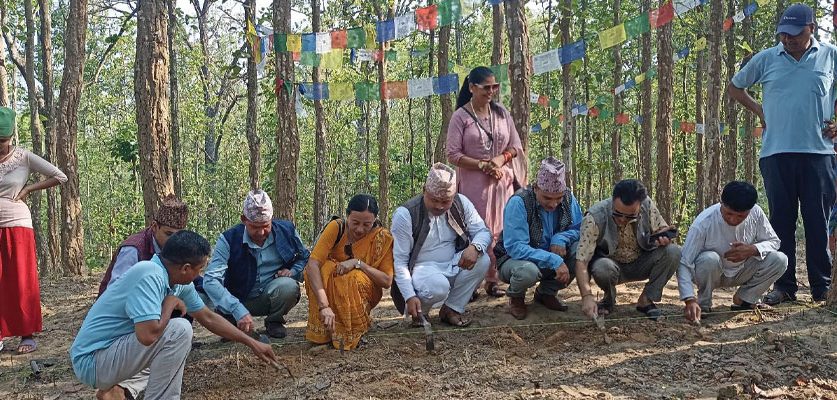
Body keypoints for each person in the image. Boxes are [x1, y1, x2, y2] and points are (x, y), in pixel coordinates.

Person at [70, 231, 277, 400]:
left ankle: (116, 391)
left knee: (174, 351)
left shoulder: (177, 282)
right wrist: (169, 306)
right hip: (93, 361)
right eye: (199, 269)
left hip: (114, 354)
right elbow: (148, 336)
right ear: (186, 268)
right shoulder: (149, 274)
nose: (200, 276)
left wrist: (251, 343)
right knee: (179, 330)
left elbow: (208, 318)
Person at [727, 2, 836, 304]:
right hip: (776, 154)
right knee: (781, 223)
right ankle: (784, 287)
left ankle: (822, 288)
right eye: (783, 35)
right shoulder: (766, 58)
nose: (787, 40)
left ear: (811, 29)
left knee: (818, 222)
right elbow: (735, 87)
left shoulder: (830, 55)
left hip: (819, 154)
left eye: (794, 34)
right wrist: (760, 110)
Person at [446, 66, 528, 299]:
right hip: (474, 184)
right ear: (472, 88)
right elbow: (453, 154)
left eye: (495, 87)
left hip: (502, 183)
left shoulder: (502, 113)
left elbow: (515, 146)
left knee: (500, 231)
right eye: (486, 87)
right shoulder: (460, 117)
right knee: (475, 231)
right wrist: (483, 165)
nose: (491, 91)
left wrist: (500, 160)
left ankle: (494, 279)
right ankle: (470, 283)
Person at [0, 106, 67, 354]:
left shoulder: (24, 157)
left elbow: (60, 177)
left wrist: (28, 189)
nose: (0, 145)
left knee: (20, 278)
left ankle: (26, 333)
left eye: (3, 140)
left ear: (11, 138)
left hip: (17, 224)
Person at [391, 163, 493, 327]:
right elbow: (400, 262)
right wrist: (409, 296)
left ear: (453, 196)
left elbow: (483, 231)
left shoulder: (461, 203)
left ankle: (452, 308)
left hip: (452, 262)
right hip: (420, 270)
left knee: (483, 260)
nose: (439, 206)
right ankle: (420, 313)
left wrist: (475, 247)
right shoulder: (405, 214)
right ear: (424, 190)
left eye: (445, 201)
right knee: (438, 286)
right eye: (434, 200)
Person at [200, 190, 309, 338]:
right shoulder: (229, 239)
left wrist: (292, 271)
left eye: (266, 226)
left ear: (271, 219)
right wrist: (236, 308)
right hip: (237, 297)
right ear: (244, 219)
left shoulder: (287, 231)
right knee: (202, 295)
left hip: (268, 295)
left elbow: (305, 257)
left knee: (289, 286)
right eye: (255, 227)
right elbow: (211, 280)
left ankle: (274, 321)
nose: (261, 232)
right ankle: (230, 320)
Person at [677, 181, 787, 323]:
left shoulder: (757, 213)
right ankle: (703, 304)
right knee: (708, 259)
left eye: (740, 216)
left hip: (742, 270)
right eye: (728, 213)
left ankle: (745, 299)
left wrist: (753, 249)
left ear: (750, 210)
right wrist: (689, 299)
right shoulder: (703, 222)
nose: (733, 219)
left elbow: (774, 242)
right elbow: (684, 263)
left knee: (780, 259)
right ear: (721, 203)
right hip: (709, 273)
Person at [574, 179, 680, 321]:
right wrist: (586, 296)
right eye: (617, 214)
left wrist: (664, 237)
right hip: (610, 265)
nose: (623, 219)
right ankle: (608, 299)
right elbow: (581, 260)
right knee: (602, 267)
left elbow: (661, 228)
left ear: (640, 205)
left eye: (630, 216)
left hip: (642, 261)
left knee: (673, 251)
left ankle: (646, 300)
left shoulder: (647, 205)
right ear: (613, 201)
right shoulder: (595, 216)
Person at [494, 157, 583, 319]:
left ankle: (545, 293)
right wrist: (553, 260)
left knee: (580, 251)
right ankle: (516, 297)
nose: (553, 204)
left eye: (559, 198)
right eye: (547, 198)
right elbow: (515, 247)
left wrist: (561, 237)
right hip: (514, 260)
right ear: (536, 188)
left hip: (552, 257)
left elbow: (580, 229)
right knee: (528, 271)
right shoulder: (519, 202)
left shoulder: (569, 198)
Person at [304, 194, 394, 350]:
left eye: (367, 224)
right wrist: (323, 305)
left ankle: (351, 331)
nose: (360, 229)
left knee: (352, 277)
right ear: (347, 216)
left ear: (374, 220)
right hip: (328, 293)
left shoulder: (381, 238)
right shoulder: (336, 227)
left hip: (362, 289)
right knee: (323, 269)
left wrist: (359, 264)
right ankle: (324, 332)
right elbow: (313, 263)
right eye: (355, 223)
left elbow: (386, 281)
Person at [98, 194, 189, 296]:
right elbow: (115, 292)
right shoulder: (133, 249)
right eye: (168, 234)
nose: (174, 241)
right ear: (155, 227)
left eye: (179, 235)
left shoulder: (178, 245)